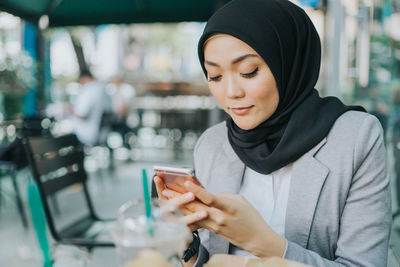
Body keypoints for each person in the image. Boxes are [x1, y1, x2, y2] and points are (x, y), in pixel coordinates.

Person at [154, 0, 391, 266]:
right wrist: (185, 240)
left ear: (288, 63)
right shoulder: (212, 143)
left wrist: (263, 243)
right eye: (215, 76)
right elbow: (207, 260)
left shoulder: (355, 138)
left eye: (248, 71)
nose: (231, 92)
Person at [69, 69, 111, 145]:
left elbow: (81, 115)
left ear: (83, 78)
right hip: (104, 133)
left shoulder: (88, 90)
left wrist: (70, 110)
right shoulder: (103, 89)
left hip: (86, 134)